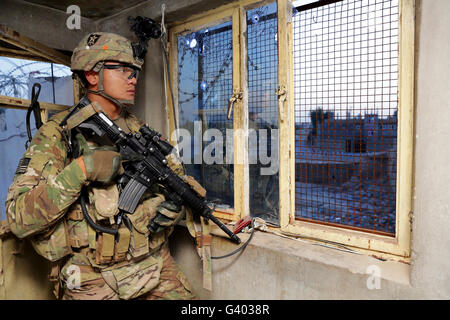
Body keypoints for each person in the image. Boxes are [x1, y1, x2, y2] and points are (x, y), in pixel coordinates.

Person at [4, 32, 197, 300]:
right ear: (92, 75)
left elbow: (180, 181)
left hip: (153, 263)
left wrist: (174, 209)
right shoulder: (58, 134)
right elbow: (19, 218)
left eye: (135, 71)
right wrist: (80, 170)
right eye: (123, 70)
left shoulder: (140, 130)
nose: (133, 78)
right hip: (93, 277)